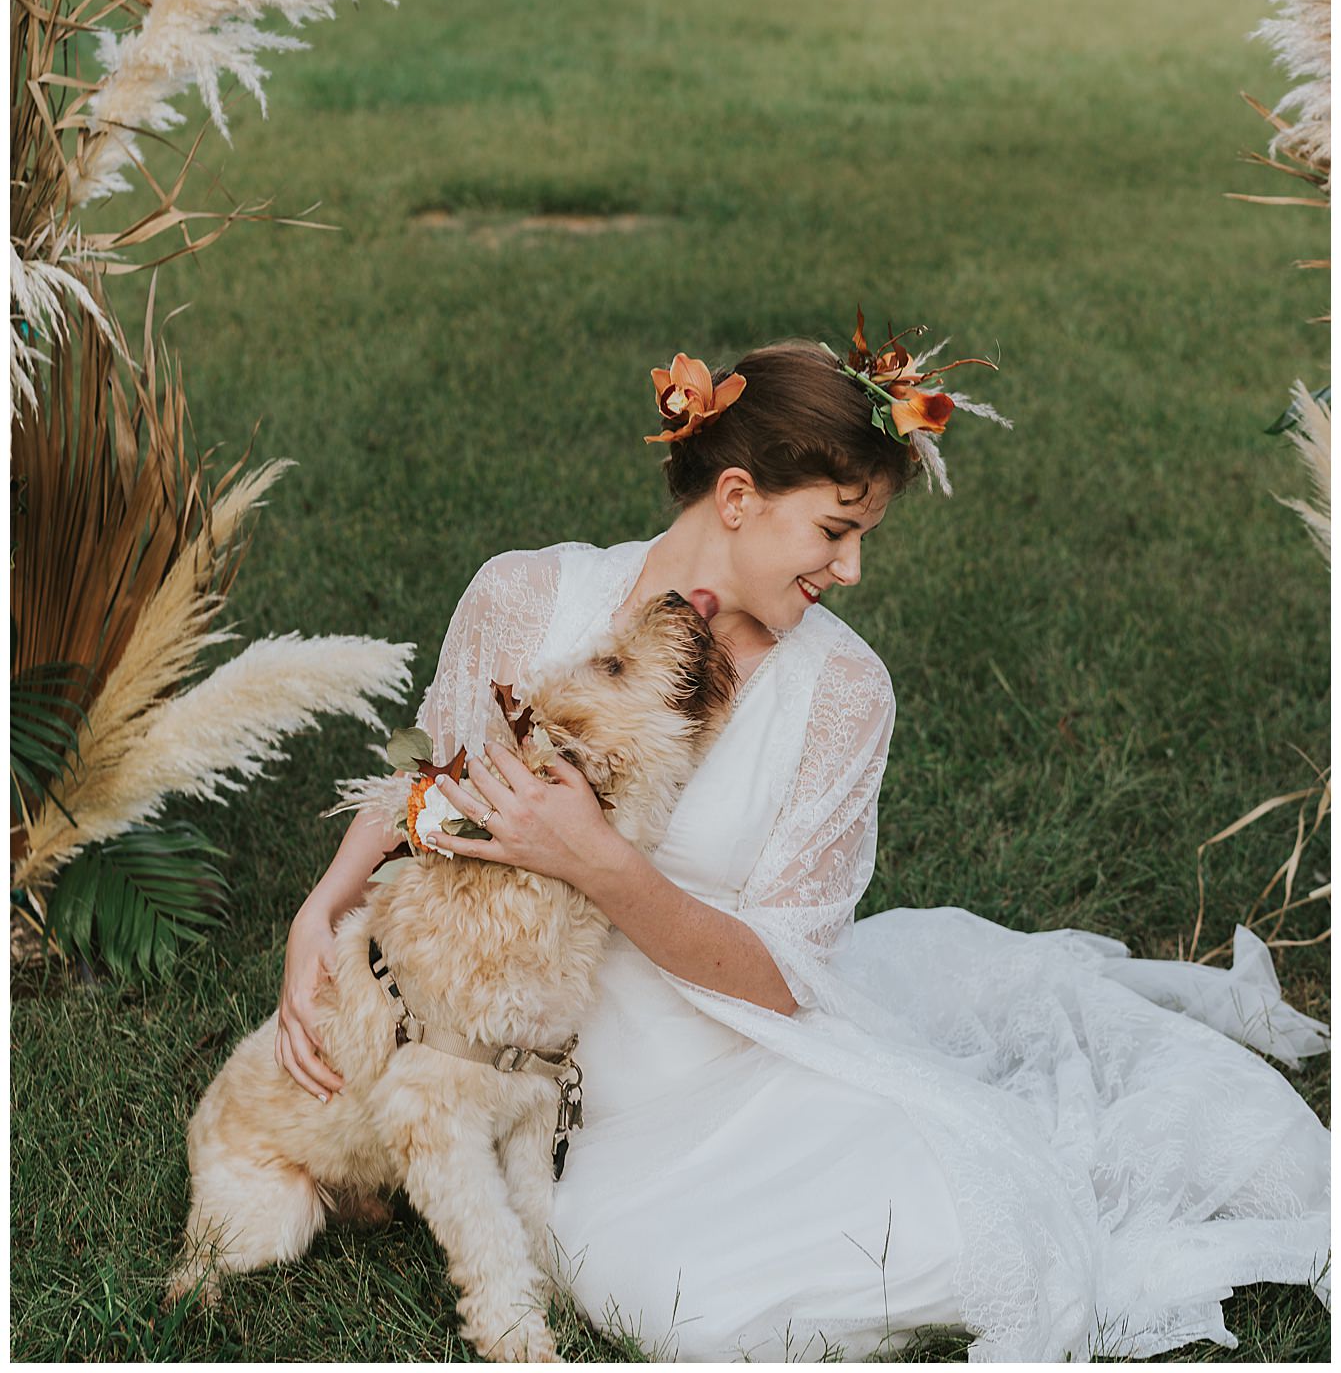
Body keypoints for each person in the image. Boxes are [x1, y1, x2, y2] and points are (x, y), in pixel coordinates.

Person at [277, 327, 1330, 1362]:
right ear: (737, 498)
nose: (854, 567)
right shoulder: (528, 595)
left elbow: (785, 982)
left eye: (863, 533)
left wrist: (599, 863)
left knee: (725, 1293)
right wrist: (320, 907)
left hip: (721, 1061)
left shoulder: (844, 692)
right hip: (510, 1035)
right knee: (659, 1291)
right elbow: (423, 778)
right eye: (835, 528)